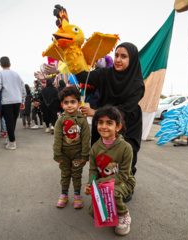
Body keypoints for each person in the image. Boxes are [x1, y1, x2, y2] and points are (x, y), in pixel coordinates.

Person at [74, 43, 144, 201]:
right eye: (116, 55)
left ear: (132, 60)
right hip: (104, 124)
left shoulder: (137, 84)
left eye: (123, 56)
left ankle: (126, 186)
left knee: (127, 156)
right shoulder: (105, 74)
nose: (118, 59)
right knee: (101, 156)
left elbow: (126, 108)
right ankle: (102, 186)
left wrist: (97, 113)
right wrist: (71, 52)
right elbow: (84, 76)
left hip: (127, 124)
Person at [84, 106, 135, 236]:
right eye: (100, 122)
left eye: (109, 123)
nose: (103, 126)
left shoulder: (126, 147)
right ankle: (111, 207)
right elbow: (93, 169)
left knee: (113, 193)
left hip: (125, 181)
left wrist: (99, 184)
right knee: (93, 212)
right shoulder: (95, 147)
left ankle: (123, 214)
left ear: (118, 127)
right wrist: (91, 184)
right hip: (104, 182)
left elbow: (123, 175)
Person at [53, 86, 90, 208]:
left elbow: (86, 138)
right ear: (62, 104)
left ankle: (77, 195)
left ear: (79, 103)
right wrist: (57, 154)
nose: (69, 105)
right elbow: (57, 138)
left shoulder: (82, 119)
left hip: (78, 154)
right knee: (65, 174)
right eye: (66, 102)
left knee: (76, 174)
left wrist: (85, 154)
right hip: (64, 154)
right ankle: (64, 194)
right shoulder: (60, 120)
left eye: (73, 102)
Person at [0, 56, 26, 150]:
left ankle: (12, 142)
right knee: (13, 121)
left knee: (9, 121)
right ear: (10, 64)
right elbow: (23, 88)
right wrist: (23, 101)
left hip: (7, 100)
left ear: (0, 65)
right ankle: (10, 138)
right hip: (17, 100)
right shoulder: (16, 74)